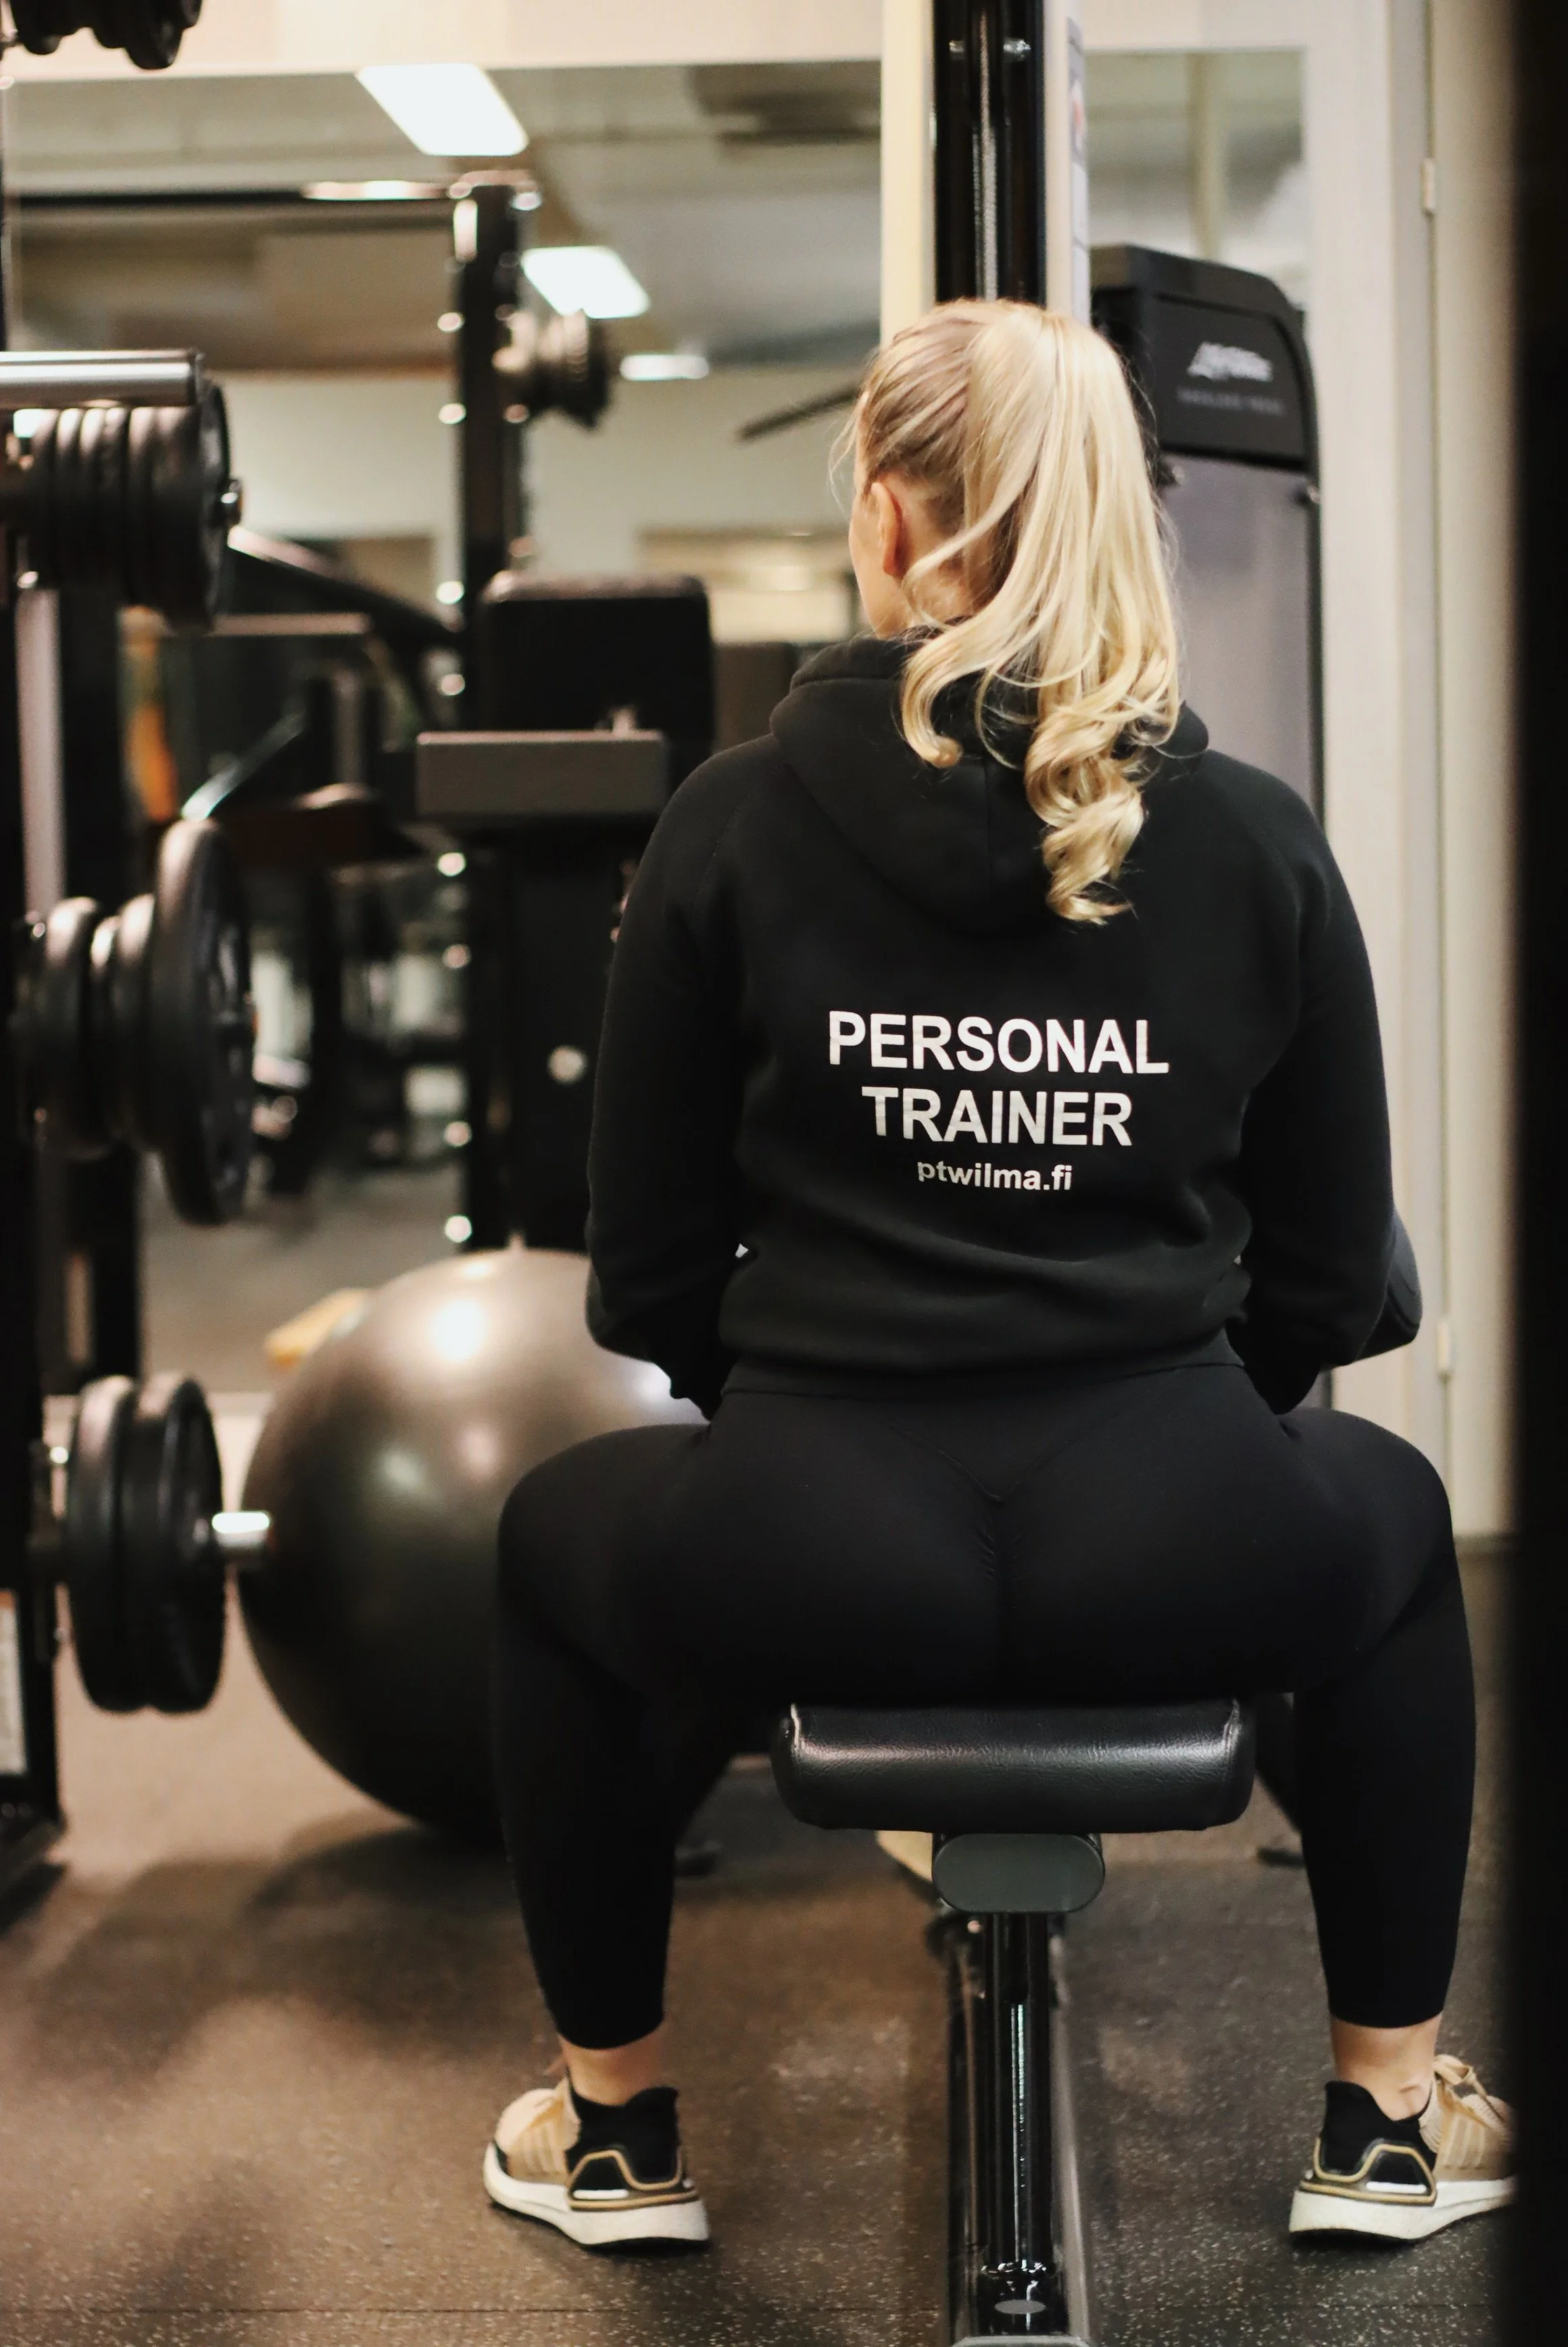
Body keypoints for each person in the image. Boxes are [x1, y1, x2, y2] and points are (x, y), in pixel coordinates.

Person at [483, 300, 1512, 2255]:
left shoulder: (722, 825)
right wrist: (1196, 1412)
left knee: (552, 1542)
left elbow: (644, 1278)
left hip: (809, 1546)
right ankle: (1387, 2116)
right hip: (1181, 1532)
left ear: (886, 514)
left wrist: (794, 1413)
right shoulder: (1254, 838)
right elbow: (1336, 1279)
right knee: (1394, 1524)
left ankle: (612, 2132)